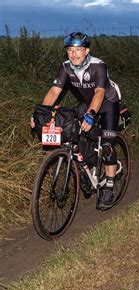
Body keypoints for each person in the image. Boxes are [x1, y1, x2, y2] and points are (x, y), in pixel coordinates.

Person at [31, 32, 121, 209]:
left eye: (78, 50)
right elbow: (54, 91)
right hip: (87, 103)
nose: (74, 54)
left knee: (107, 145)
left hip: (108, 103)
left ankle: (110, 184)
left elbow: (99, 93)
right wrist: (41, 114)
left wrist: (91, 113)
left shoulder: (98, 66)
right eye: (70, 50)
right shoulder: (65, 67)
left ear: (86, 50)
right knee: (73, 132)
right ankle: (91, 165)